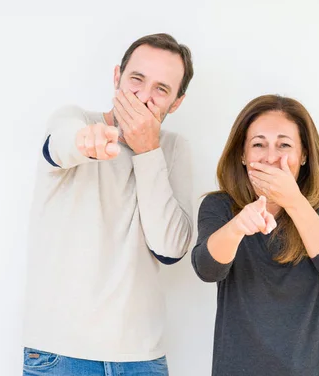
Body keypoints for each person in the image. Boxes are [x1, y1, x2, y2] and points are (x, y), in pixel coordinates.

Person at [22, 33, 194, 376]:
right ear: (117, 77)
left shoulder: (173, 149)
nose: (144, 97)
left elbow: (170, 248)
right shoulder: (76, 120)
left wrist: (147, 151)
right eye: (136, 80)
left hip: (142, 358)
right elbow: (59, 145)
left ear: (176, 103)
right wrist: (86, 143)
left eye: (161, 89)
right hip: (61, 354)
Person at [192, 94, 319, 376]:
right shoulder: (219, 206)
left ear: (304, 155)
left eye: (284, 145)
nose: (271, 157)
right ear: (243, 155)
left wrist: (295, 202)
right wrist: (238, 226)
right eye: (259, 144)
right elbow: (207, 269)